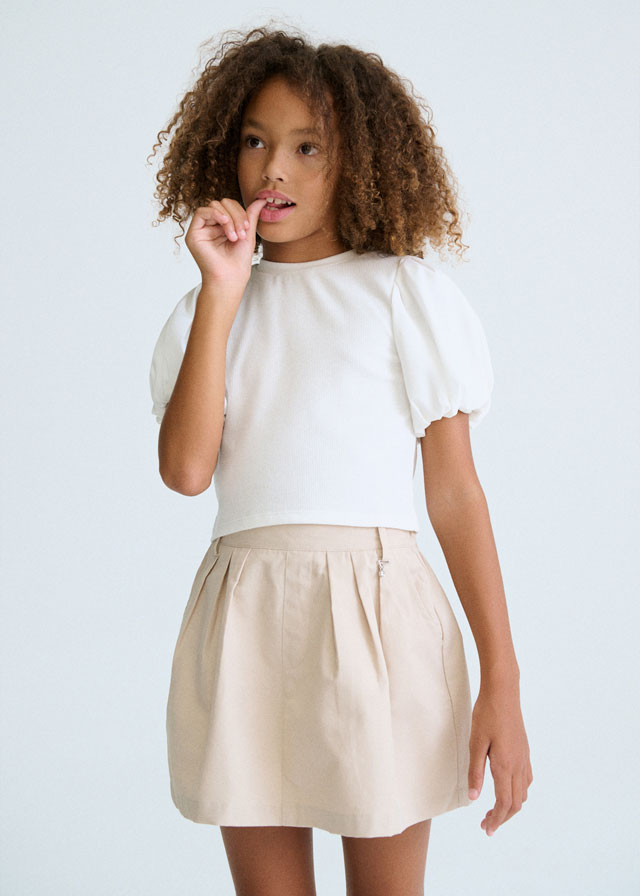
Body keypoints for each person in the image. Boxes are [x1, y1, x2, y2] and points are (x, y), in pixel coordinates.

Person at [147, 24, 532, 896]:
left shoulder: (403, 295)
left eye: (306, 147)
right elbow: (186, 472)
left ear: (357, 160)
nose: (273, 170)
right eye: (256, 142)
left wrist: (501, 680)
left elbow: (457, 496)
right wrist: (222, 291)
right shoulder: (209, 310)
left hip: (377, 616)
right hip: (246, 616)